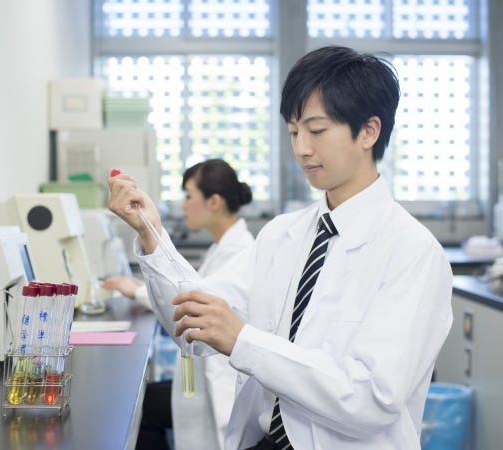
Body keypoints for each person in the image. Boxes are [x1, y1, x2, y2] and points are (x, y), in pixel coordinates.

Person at [108, 46, 453, 450]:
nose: (301, 148)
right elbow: (194, 325)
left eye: (316, 130)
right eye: (293, 131)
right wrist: (150, 232)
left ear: (368, 131)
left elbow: (370, 398)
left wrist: (244, 341)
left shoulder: (414, 252)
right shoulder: (281, 235)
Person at [105, 158, 254, 450]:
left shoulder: (241, 252)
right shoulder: (221, 247)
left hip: (221, 388)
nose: (183, 205)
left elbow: (194, 302)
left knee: (145, 406)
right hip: (205, 374)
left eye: (188, 196)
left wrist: (138, 288)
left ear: (214, 202)